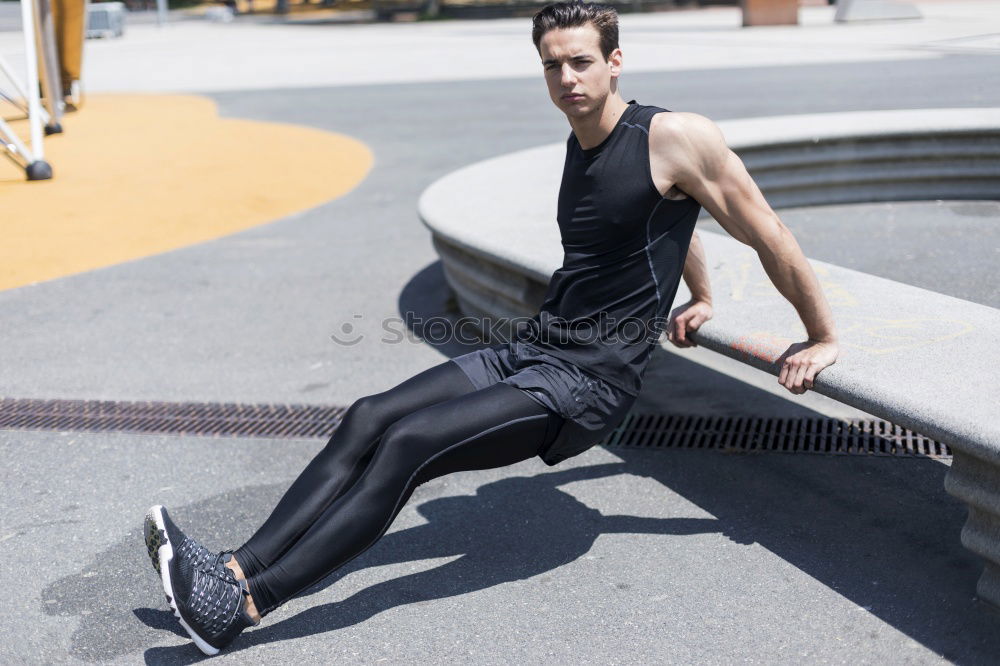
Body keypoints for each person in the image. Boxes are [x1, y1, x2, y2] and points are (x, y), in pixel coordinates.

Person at [143, 0, 839, 654]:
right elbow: (667, 217)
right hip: (537, 347)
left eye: (581, 62)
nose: (566, 78)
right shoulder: (583, 140)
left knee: (409, 445)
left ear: (616, 61)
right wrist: (702, 294)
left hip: (587, 381)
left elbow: (765, 228)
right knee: (368, 417)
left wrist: (819, 336)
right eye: (552, 65)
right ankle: (234, 568)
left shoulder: (676, 135)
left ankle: (244, 607)